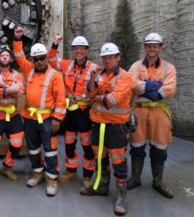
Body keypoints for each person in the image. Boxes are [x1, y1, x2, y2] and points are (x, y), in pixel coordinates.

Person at [13, 27, 67, 197]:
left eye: (42, 59)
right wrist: (17, 38)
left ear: (46, 58)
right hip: (29, 117)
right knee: (33, 148)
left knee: (49, 149)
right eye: (36, 59)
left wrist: (58, 119)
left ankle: (51, 178)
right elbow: (19, 56)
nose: (39, 62)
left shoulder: (55, 76)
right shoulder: (29, 70)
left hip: (48, 119)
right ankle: (38, 173)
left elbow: (60, 99)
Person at [80, 43, 132, 216]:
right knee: (100, 159)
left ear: (118, 58)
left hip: (116, 128)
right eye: (104, 57)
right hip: (98, 125)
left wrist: (95, 96)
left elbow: (112, 100)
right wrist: (93, 83)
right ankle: (101, 187)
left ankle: (121, 197)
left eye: (111, 57)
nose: (107, 60)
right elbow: (88, 95)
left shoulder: (125, 77)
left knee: (118, 162)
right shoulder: (98, 74)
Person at [127, 33, 176, 199]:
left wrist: (145, 88)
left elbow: (168, 90)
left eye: (155, 45)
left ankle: (158, 182)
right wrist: (152, 86)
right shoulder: (135, 66)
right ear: (145, 47)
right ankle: (135, 178)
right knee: (136, 146)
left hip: (159, 111)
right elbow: (131, 83)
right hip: (138, 110)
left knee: (160, 147)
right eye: (149, 45)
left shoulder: (169, 68)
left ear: (161, 47)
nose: (152, 48)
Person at [48, 35, 98, 189]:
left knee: (86, 144)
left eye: (82, 48)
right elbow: (51, 61)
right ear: (72, 51)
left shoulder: (94, 68)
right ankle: (71, 170)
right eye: (76, 48)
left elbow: (95, 90)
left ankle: (88, 174)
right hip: (69, 111)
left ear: (87, 50)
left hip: (84, 112)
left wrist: (93, 81)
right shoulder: (66, 65)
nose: (79, 51)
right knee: (69, 142)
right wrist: (55, 45)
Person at [0, 45, 25, 188]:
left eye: (7, 55)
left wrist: (1, 86)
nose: (5, 57)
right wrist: (9, 88)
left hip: (12, 115)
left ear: (11, 59)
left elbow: (19, 91)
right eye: (2, 55)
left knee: (17, 142)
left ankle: (8, 167)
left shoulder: (18, 75)